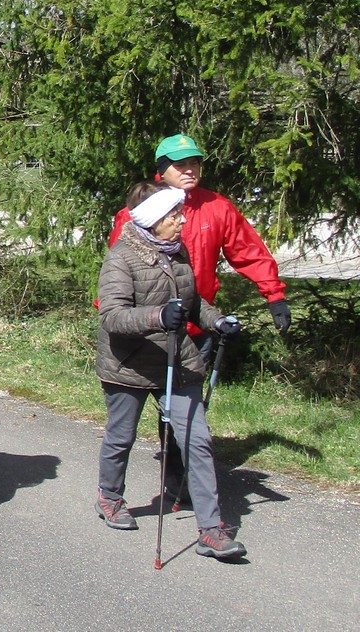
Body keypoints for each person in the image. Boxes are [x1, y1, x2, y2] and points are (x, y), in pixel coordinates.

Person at [108, 133, 289, 498]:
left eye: (195, 163)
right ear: (162, 171)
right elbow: (118, 274)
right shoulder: (136, 214)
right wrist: (121, 318)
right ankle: (111, 491)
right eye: (180, 165)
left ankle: (178, 480)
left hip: (195, 329)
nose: (190, 170)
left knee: (186, 413)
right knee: (127, 422)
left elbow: (249, 252)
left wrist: (274, 296)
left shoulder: (217, 208)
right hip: (148, 333)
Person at [96, 180, 246, 560]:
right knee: (121, 437)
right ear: (155, 220)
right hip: (128, 365)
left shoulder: (178, 252)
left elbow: (192, 304)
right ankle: (110, 497)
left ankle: (211, 530)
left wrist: (217, 321)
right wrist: (158, 316)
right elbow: (112, 316)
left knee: (197, 440)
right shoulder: (120, 258)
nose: (182, 220)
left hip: (176, 362)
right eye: (174, 215)